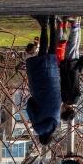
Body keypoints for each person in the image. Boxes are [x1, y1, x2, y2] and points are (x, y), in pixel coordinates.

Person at [24, 15, 61, 145]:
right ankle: (44, 25)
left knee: (51, 51)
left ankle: (53, 21)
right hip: (40, 84)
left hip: (54, 81)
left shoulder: (56, 121)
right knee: (42, 52)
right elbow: (29, 106)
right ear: (40, 137)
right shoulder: (37, 125)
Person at [58, 17, 83, 123]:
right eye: (61, 111)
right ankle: (75, 24)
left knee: (75, 47)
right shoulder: (67, 99)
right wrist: (63, 68)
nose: (60, 109)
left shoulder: (75, 99)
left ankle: (78, 25)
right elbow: (66, 82)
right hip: (69, 68)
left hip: (75, 68)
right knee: (71, 46)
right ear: (65, 110)